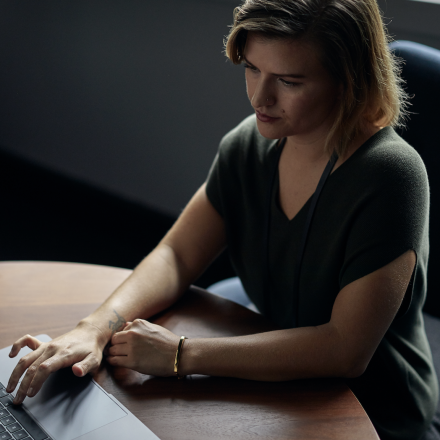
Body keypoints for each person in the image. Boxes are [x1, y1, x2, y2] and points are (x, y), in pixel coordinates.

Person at [5, 0, 438, 439]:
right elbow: (176, 255)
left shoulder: (390, 176)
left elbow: (345, 350)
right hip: (272, 385)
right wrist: (93, 330)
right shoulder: (249, 144)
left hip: (370, 411)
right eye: (252, 69)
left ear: (352, 81)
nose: (259, 97)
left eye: (289, 81)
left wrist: (180, 356)